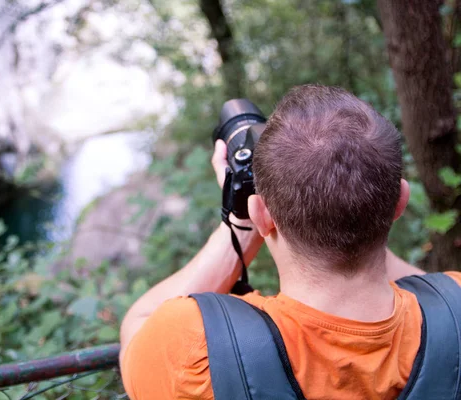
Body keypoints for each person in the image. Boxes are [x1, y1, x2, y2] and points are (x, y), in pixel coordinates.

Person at [118, 85, 461, 399]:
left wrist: (241, 226)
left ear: (261, 215)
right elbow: (440, 297)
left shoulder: (199, 353)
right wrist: (364, 212)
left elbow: (138, 324)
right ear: (400, 200)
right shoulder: (455, 311)